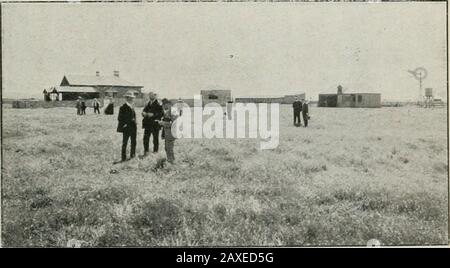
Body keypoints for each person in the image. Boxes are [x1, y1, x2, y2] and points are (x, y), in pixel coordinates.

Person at [117, 92, 137, 161]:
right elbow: (120, 118)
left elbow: (133, 116)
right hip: (127, 128)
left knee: (133, 142)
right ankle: (123, 157)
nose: (132, 99)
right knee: (125, 143)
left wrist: (135, 122)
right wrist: (125, 124)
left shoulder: (132, 106)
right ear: (127, 98)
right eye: (130, 98)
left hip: (133, 127)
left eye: (132, 98)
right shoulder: (123, 107)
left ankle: (132, 155)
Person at [157, 98, 178, 164]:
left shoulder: (173, 111)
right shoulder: (169, 110)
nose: (163, 107)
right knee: (167, 147)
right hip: (167, 132)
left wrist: (162, 123)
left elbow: (174, 123)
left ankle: (172, 161)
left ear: (167, 104)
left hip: (171, 132)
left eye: (163, 105)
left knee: (169, 148)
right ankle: (170, 160)